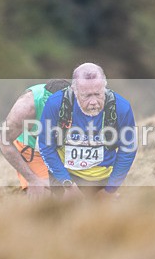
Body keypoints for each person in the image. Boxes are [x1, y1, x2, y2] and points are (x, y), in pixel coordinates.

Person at [38, 63, 137, 196]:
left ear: (105, 87)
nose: (93, 102)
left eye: (98, 94)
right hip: (65, 173)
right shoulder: (56, 104)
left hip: (102, 178)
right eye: (87, 96)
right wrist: (67, 183)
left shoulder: (121, 108)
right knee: (65, 213)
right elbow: (46, 146)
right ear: (74, 90)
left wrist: (110, 190)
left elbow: (128, 150)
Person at [0, 79, 70, 197]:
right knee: (43, 195)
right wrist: (32, 179)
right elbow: (4, 141)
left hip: (62, 148)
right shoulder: (25, 107)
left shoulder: (84, 103)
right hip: (32, 148)